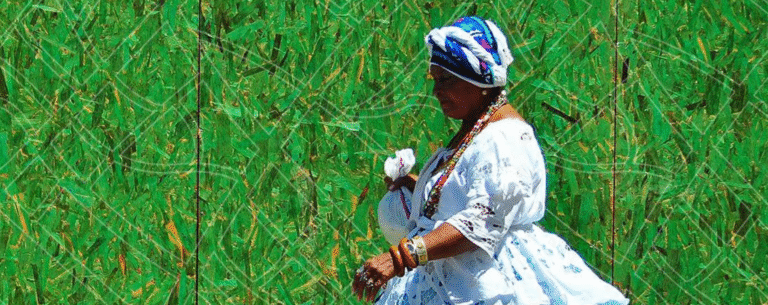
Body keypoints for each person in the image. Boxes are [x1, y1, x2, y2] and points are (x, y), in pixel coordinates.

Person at [353, 16, 630, 304]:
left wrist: (400, 258)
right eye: (435, 80)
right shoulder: (475, 128)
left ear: (479, 78)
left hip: (486, 282)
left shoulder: (504, 137)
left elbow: (483, 220)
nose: (436, 91)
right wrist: (422, 188)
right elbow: (470, 193)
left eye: (446, 79)